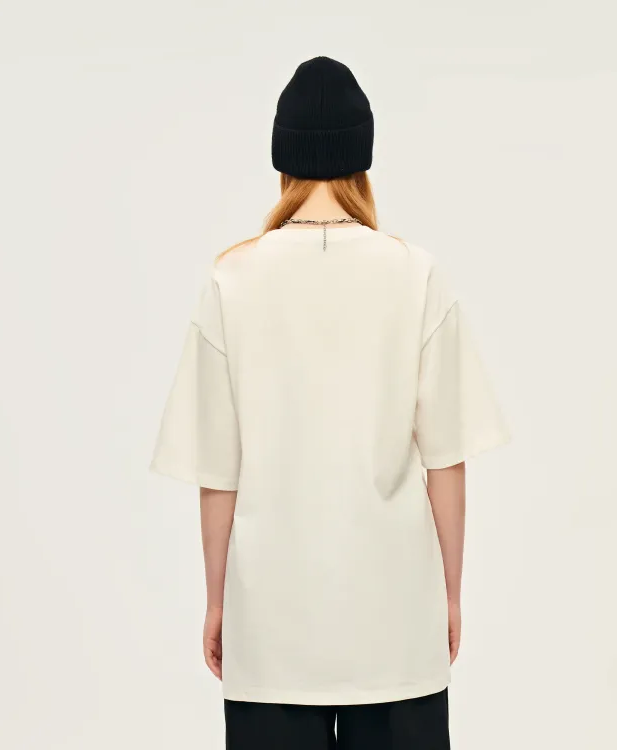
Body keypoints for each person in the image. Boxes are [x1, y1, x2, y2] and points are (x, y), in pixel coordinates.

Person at [150, 56, 509, 750]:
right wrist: (449, 593)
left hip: (271, 627)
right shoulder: (415, 274)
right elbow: (446, 460)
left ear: (281, 158)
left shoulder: (233, 279)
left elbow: (217, 472)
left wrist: (219, 600)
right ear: (362, 157)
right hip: (395, 621)